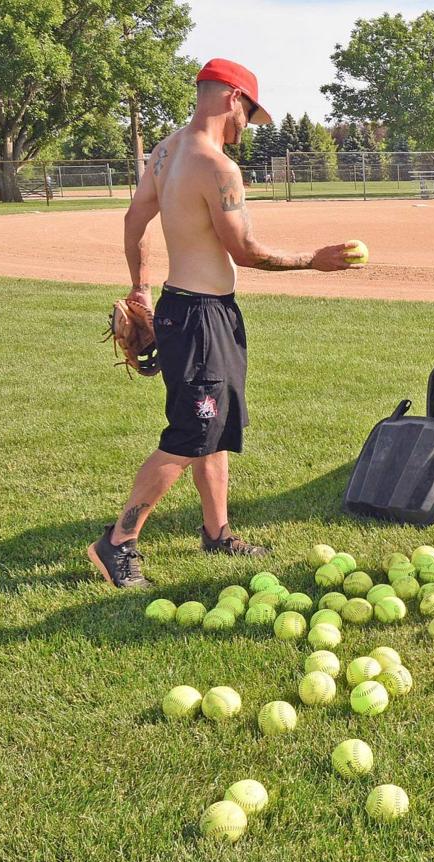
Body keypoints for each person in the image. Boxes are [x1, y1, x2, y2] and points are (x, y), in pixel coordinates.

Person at [88, 58, 365, 588]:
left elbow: (133, 220)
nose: (245, 130)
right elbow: (247, 250)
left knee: (213, 426)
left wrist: (140, 288)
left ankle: (218, 533)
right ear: (232, 98)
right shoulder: (217, 167)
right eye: (248, 115)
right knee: (192, 430)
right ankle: (118, 542)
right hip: (201, 319)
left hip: (180, 307)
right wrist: (316, 259)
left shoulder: (167, 150)